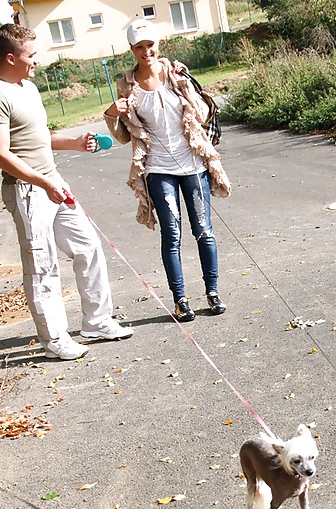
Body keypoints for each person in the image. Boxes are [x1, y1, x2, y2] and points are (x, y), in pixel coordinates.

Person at [0, 24, 133, 360]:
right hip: (28, 191)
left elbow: (37, 137)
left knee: (88, 247)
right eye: (30, 55)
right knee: (42, 265)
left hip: (53, 182)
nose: (37, 60)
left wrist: (74, 144)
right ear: (10, 57)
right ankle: (54, 340)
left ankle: (97, 320)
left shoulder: (28, 88)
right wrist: (43, 182)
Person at [103, 19, 231, 323]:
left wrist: (185, 82)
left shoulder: (176, 73)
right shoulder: (127, 85)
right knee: (171, 234)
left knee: (203, 230)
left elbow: (200, 115)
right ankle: (180, 300)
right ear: (131, 50)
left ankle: (212, 293)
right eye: (139, 47)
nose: (146, 52)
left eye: (150, 45)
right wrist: (111, 113)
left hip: (193, 165)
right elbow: (123, 136)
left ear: (157, 45)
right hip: (158, 168)